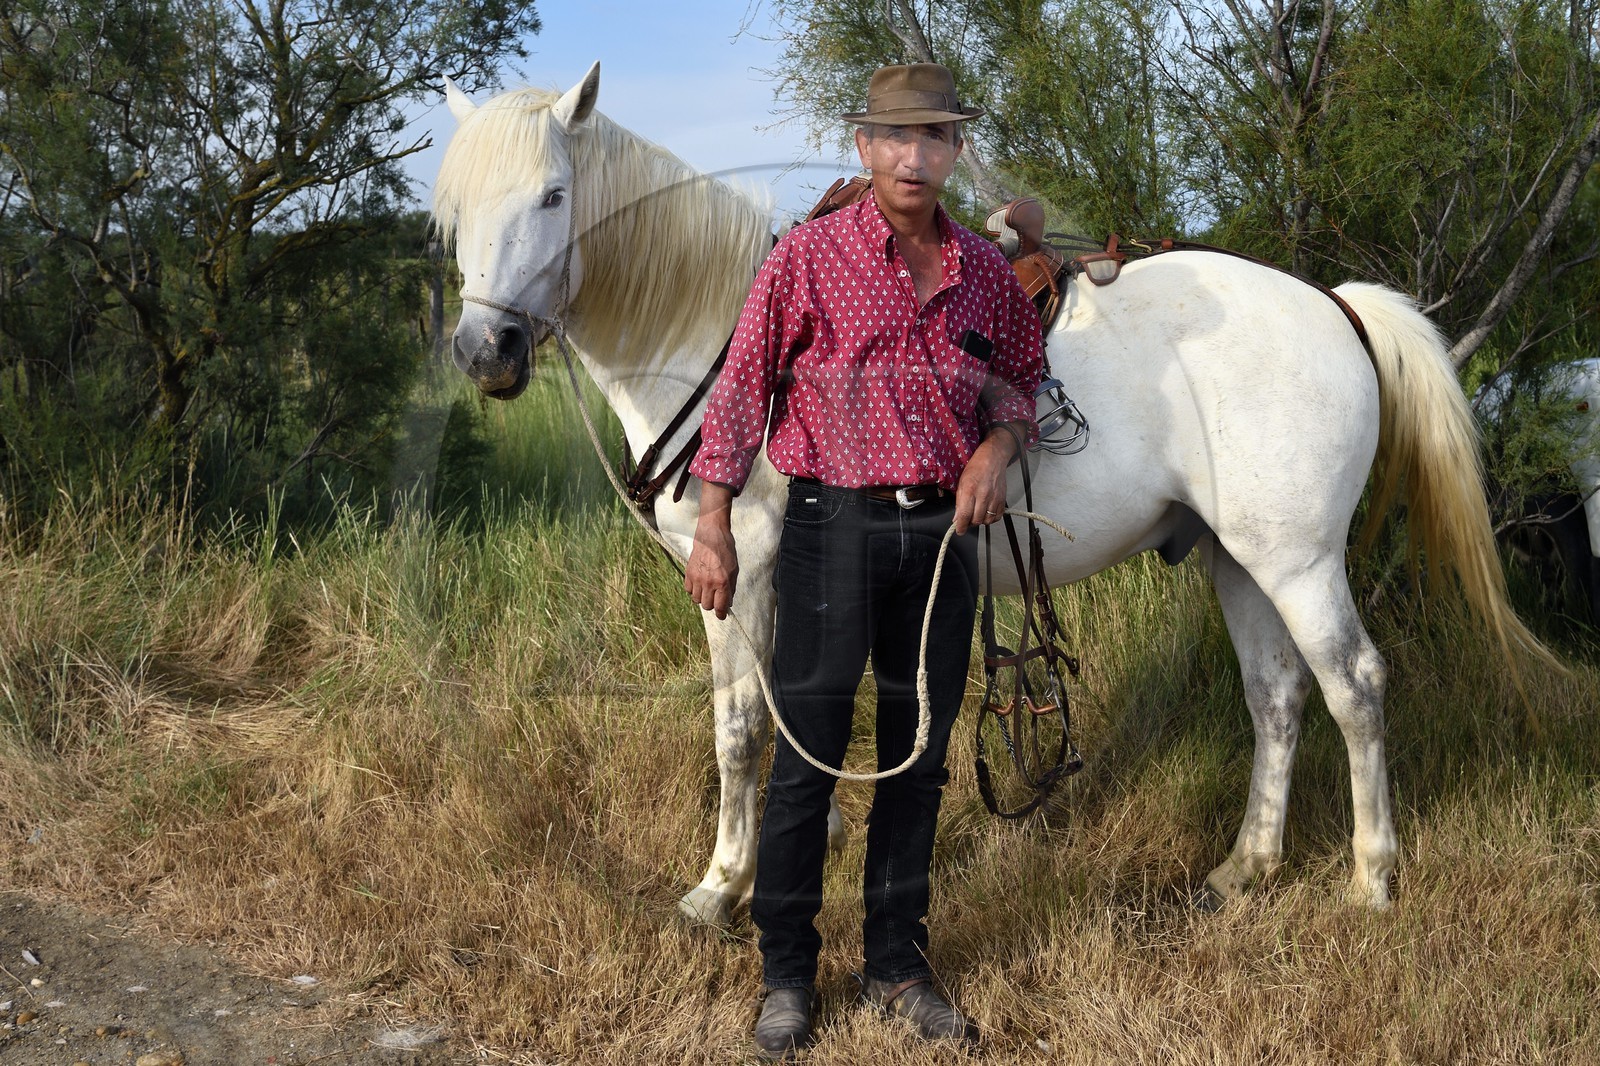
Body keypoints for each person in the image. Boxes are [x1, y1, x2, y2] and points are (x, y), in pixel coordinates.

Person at [684, 63, 1044, 1059]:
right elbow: (740, 393)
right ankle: (787, 977)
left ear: (955, 149)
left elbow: (1021, 380)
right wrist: (712, 524)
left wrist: (995, 448)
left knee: (918, 762)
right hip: (831, 529)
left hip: (942, 542)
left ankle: (896, 962)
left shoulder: (981, 270)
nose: (914, 155)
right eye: (895, 137)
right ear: (863, 148)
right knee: (806, 762)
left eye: (933, 136)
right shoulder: (805, 260)